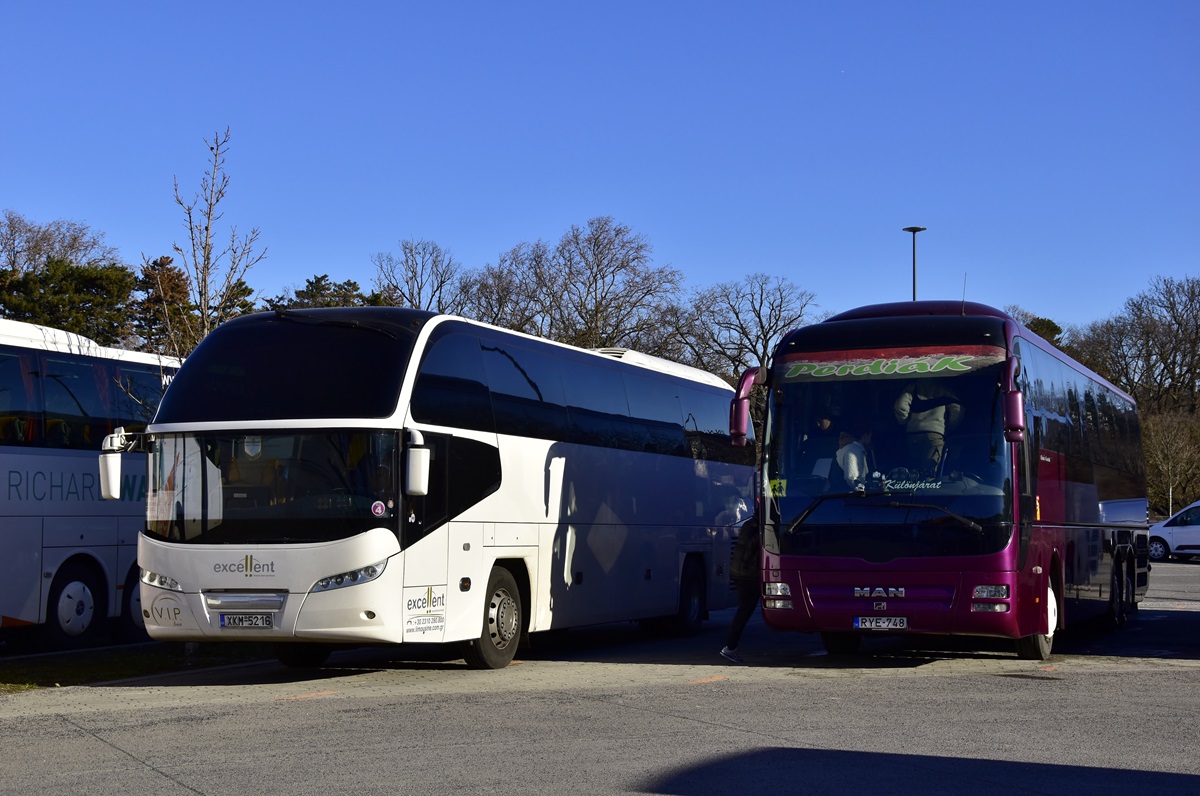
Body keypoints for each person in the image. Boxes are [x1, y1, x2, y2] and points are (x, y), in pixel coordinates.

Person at [893, 380, 961, 474]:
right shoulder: (943, 389)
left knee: (913, 476)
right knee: (929, 474)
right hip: (934, 436)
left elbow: (900, 405)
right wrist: (951, 426)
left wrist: (904, 421)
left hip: (912, 435)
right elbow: (958, 409)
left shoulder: (913, 387)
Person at [721, 515, 761, 664]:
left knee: (744, 611)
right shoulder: (756, 528)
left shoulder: (750, 525)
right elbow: (751, 547)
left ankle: (731, 647)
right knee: (744, 612)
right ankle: (730, 647)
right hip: (747, 575)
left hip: (742, 573)